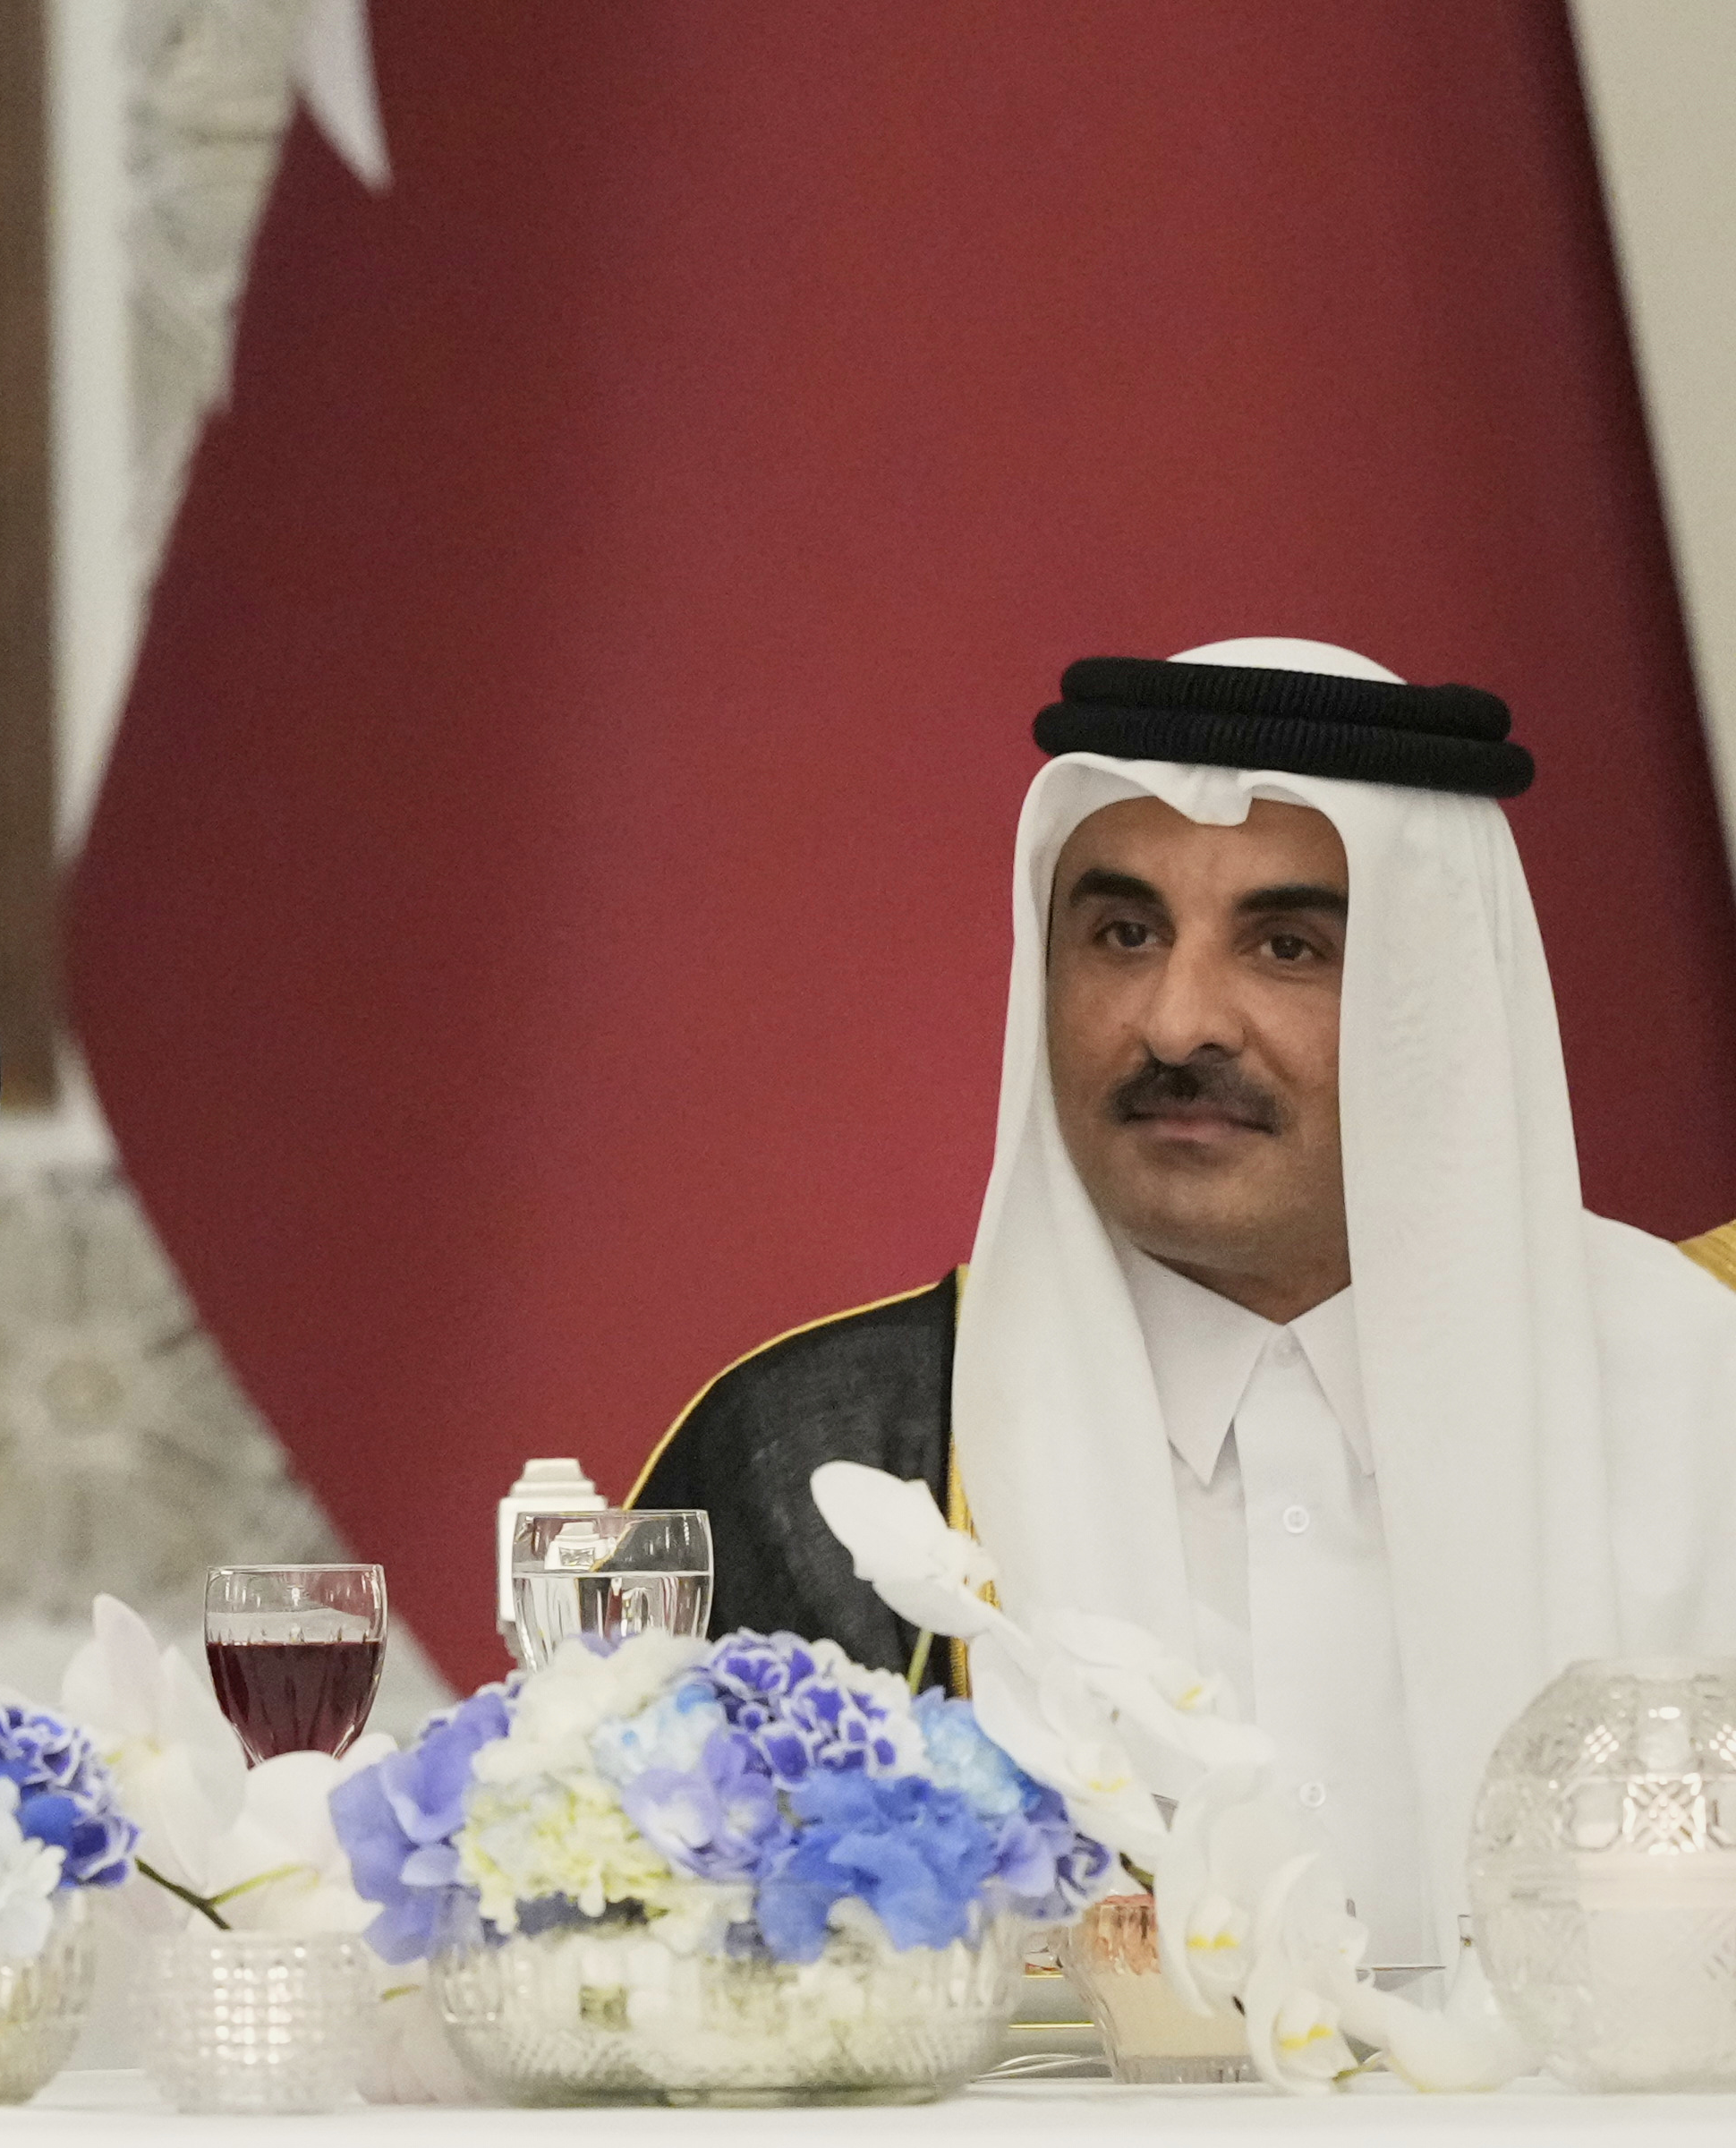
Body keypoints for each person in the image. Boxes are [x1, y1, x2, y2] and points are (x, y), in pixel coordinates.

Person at [639, 640, 1736, 1963]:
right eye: (1124, 934)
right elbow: (635, 1986)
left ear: (1442, 998)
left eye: (1286, 945)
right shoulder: (826, 1456)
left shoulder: (1701, 1392)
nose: (1177, 1023)